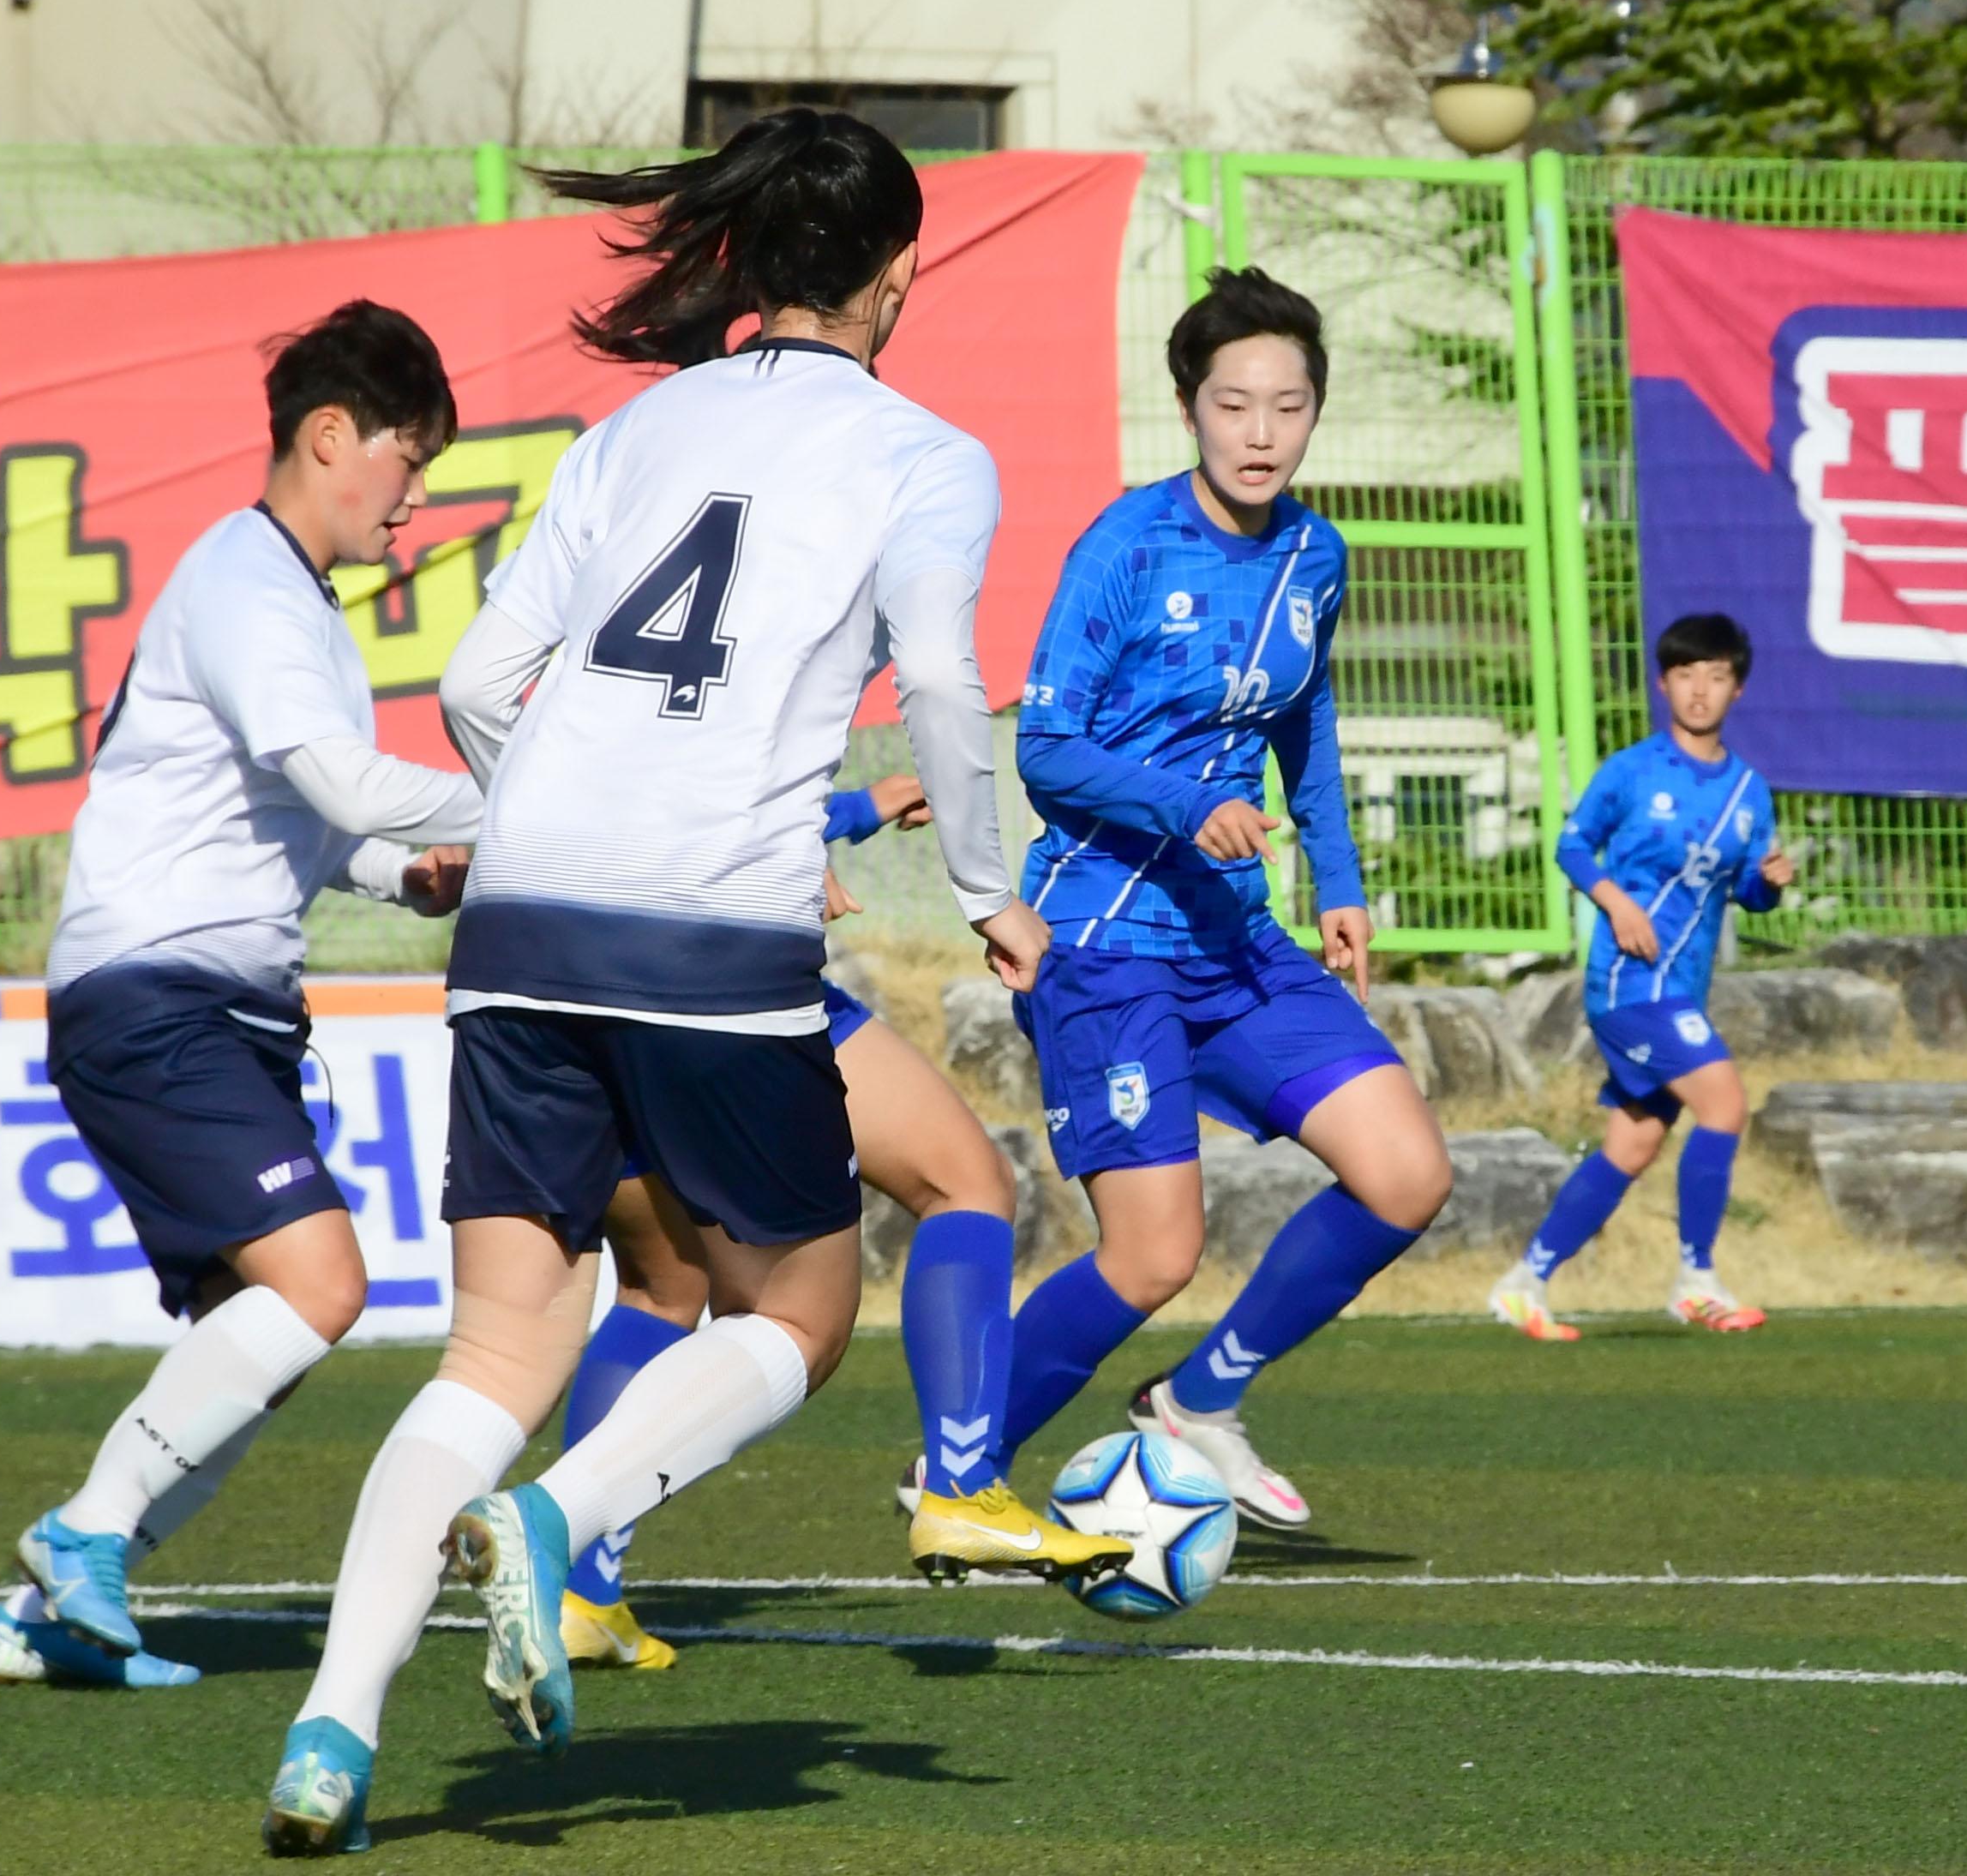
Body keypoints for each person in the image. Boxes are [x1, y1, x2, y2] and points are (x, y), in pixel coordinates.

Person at [261, 110, 1116, 1857]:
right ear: (896, 278)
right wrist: (988, 892)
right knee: (797, 1311)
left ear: (742, 260)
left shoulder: (639, 424)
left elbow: (483, 673)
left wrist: (568, 813)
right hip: (707, 929)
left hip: (525, 916)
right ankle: (563, 1521)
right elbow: (949, 690)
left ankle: (332, 1737)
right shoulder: (924, 452)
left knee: (495, 1345)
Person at [0, 302, 482, 1692]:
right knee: (320, 1284)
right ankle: (82, 1530)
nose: (418, 496)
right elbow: (335, 776)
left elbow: (307, 819)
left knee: (252, 1337)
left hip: (207, 1003)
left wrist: (401, 876)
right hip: (161, 997)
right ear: (333, 437)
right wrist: (539, 799)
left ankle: (45, 1618)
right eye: (409, 456)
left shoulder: (281, 598)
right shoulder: (251, 586)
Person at [983, 266, 1453, 1537]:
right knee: (1152, 1256)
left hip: (1236, 939)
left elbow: (1308, 719)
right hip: (1102, 938)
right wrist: (1182, 805)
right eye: (1234, 405)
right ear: (1190, 408)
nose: (1261, 433)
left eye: (1288, 407)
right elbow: (1047, 747)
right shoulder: (1125, 545)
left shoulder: (1317, 553)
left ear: (1314, 415)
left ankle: (1198, 1402)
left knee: (1407, 1172)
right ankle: (957, 1473)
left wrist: (1341, 884)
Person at [556, 776, 1034, 1675]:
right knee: (963, 1183)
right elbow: (712, 753)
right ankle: (965, 1483)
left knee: (663, 1287)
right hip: (720, 958)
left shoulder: (559, 665)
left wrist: (860, 807)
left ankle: (582, 1588)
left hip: (563, 975)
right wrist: (807, 835)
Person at [1488, 614, 1795, 1342]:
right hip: (1629, 986)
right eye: (1686, 674)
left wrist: (1773, 885)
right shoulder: (1632, 770)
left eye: (1716, 676)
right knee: (1724, 1104)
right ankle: (1695, 1278)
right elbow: (1572, 843)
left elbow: (1748, 892)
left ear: (1736, 688)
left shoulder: (1750, 791)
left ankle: (1523, 1283)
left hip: (1682, 988)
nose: (1699, 690)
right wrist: (1615, 902)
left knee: (1632, 1145)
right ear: (1664, 683)